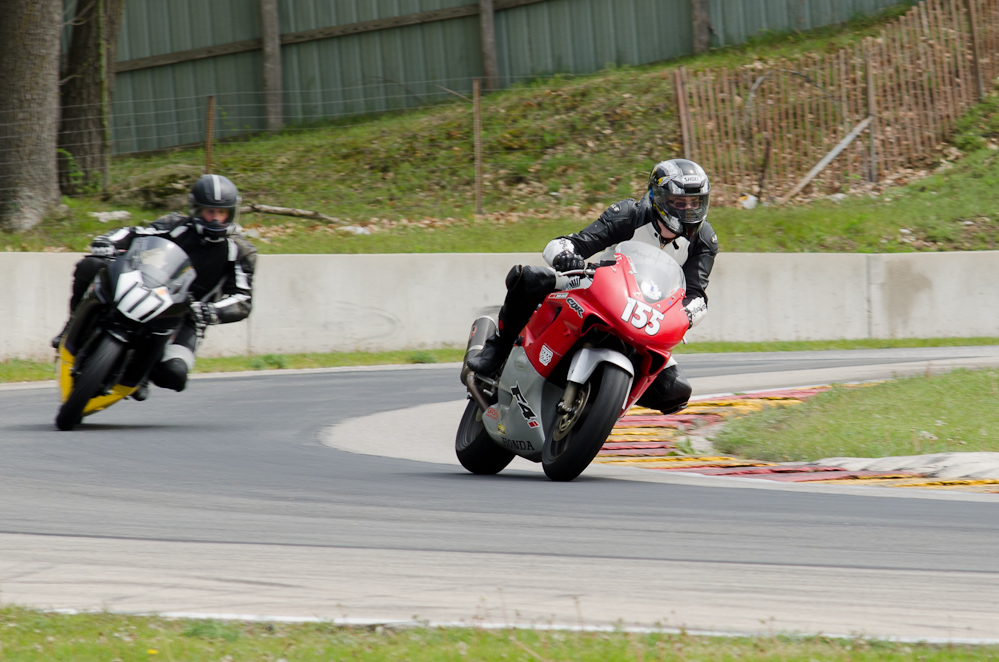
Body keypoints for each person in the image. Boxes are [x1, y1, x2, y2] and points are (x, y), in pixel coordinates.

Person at [467, 158, 719, 415]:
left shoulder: (704, 240)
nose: (688, 210)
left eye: (695, 203)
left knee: (675, 390)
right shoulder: (629, 214)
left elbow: (697, 295)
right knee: (527, 277)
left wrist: (685, 315)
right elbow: (567, 243)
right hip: (603, 287)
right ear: (659, 198)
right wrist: (566, 256)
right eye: (679, 202)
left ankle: (602, 403)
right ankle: (497, 348)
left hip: (648, 315)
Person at [53, 174, 257, 400]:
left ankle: (142, 374)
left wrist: (212, 311)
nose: (216, 220)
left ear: (231, 213)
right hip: (150, 289)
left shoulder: (241, 251)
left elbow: (242, 299)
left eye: (222, 213)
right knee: (91, 265)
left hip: (189, 316)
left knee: (174, 375)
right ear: (196, 210)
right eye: (210, 212)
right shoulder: (175, 226)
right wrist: (107, 242)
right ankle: (70, 326)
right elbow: (136, 233)